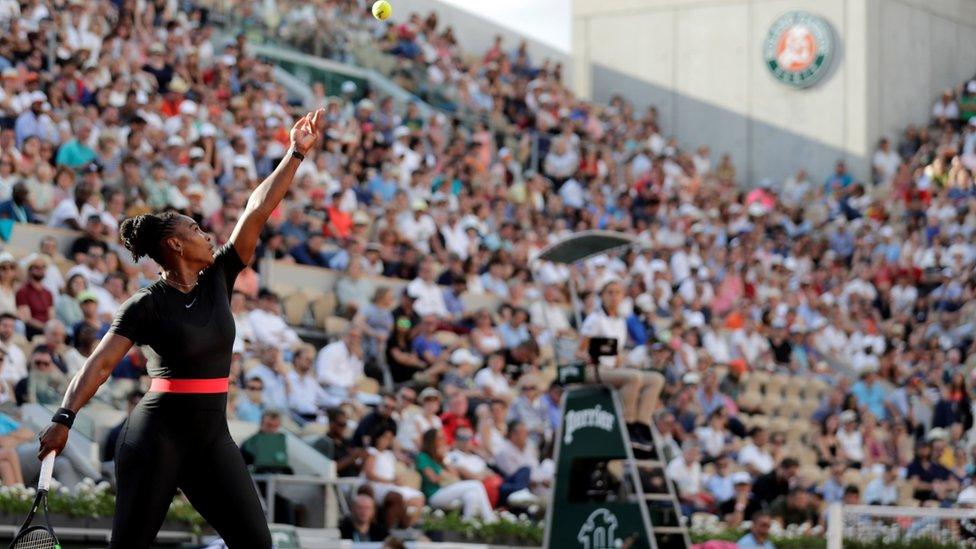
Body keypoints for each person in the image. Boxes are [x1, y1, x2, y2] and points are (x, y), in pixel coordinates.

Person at [38, 109, 327, 548]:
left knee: (258, 545)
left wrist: (294, 153)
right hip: (156, 439)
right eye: (194, 229)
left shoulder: (220, 277)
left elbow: (257, 208)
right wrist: (63, 418)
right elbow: (97, 367)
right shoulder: (144, 305)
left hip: (212, 439)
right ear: (174, 244)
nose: (206, 235)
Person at [578, 280, 664, 444]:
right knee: (633, 377)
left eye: (617, 293)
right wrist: (590, 356)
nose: (614, 296)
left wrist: (620, 360)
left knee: (656, 379)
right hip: (595, 369)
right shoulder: (595, 319)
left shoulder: (620, 321)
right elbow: (579, 351)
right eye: (609, 292)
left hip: (612, 370)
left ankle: (642, 425)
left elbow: (617, 351)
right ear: (602, 296)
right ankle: (626, 424)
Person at [415, 428, 496, 521]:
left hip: (445, 491)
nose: (443, 440)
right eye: (440, 438)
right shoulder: (423, 456)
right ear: (431, 440)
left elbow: (455, 477)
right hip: (434, 495)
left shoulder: (439, 457)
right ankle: (490, 519)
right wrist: (443, 474)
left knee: (471, 495)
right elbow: (433, 478)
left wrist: (444, 459)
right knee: (476, 484)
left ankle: (467, 524)